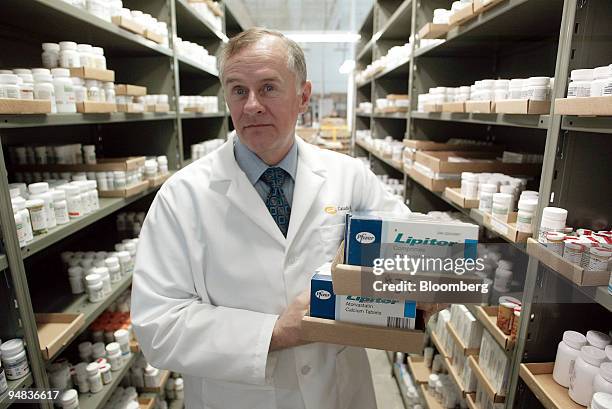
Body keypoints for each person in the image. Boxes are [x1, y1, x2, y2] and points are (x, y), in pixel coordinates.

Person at [131, 27, 411, 409]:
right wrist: (274, 332)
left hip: (339, 389)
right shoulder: (182, 196)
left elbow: (409, 246)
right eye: (238, 90)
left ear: (303, 97)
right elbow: (158, 326)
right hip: (239, 396)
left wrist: (425, 286)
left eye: (268, 88)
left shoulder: (349, 177)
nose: (251, 106)